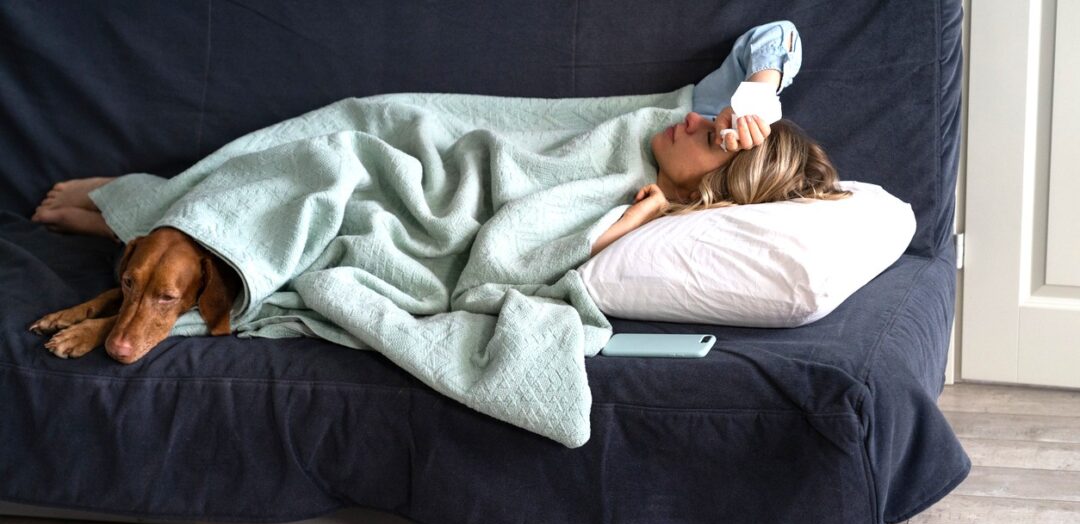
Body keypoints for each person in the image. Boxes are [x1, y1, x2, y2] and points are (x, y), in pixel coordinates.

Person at [31, 21, 848, 256]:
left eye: (710, 138)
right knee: (351, 126)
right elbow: (772, 33)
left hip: (438, 191)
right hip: (439, 132)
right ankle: (161, 201)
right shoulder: (693, 115)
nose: (698, 122)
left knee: (338, 170)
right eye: (713, 119)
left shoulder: (648, 200)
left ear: (700, 189)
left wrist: (640, 211)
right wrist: (757, 96)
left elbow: (520, 247)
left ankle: (145, 214)